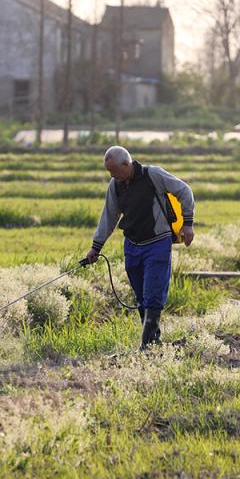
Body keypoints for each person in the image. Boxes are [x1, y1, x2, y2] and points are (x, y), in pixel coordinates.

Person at [86, 146, 195, 350]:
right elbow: (109, 216)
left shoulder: (152, 175)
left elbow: (184, 190)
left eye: (114, 171)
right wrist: (96, 247)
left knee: (153, 296)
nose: (112, 175)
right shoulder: (115, 185)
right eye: (109, 172)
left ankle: (144, 347)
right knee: (141, 298)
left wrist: (187, 223)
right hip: (132, 246)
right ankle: (154, 343)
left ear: (127, 164)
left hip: (157, 243)